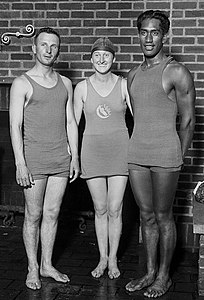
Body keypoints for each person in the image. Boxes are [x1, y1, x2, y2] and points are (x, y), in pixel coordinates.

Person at [125, 10, 195, 298]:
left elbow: (188, 120)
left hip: (166, 153)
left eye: (155, 32)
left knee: (164, 216)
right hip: (137, 152)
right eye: (144, 32)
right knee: (146, 216)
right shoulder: (131, 75)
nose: (149, 37)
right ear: (138, 35)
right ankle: (150, 271)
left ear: (165, 35)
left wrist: (178, 155)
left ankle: (164, 277)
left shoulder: (176, 71)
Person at [9, 27, 79, 290]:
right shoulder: (22, 83)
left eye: (53, 46)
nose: (49, 50)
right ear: (33, 49)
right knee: (34, 214)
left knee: (52, 213)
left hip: (61, 157)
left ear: (58, 50)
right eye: (44, 45)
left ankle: (47, 265)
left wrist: (76, 157)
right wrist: (20, 163)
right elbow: (15, 126)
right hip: (34, 158)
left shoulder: (65, 83)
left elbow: (71, 121)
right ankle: (32, 267)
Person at [74, 37, 132, 279]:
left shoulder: (124, 84)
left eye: (106, 55)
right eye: (96, 55)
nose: (101, 59)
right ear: (90, 59)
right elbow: (72, 124)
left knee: (115, 209)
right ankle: (102, 258)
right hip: (92, 152)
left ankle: (114, 260)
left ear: (113, 58)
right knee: (99, 208)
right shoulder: (82, 88)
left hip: (120, 151)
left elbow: (139, 116)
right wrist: (72, 155)